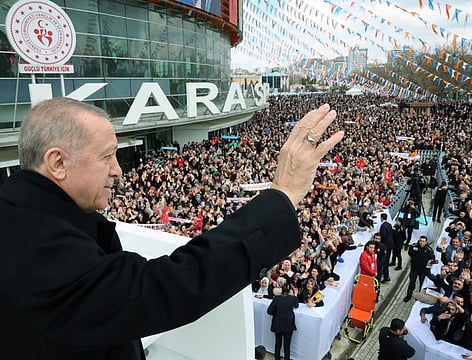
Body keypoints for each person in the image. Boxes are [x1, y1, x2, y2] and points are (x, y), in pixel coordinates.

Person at [0, 98, 344, 359]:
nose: (119, 171)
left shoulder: (28, 215)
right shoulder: (28, 241)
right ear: (58, 162)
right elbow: (163, 287)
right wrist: (283, 193)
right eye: (107, 157)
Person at [267, 283, 299, 360]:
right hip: (288, 324)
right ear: (289, 291)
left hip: (277, 323)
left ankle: (277, 358)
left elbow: (269, 311)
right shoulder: (293, 298)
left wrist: (277, 313)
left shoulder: (276, 298)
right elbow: (296, 305)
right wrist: (295, 294)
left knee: (278, 343)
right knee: (287, 345)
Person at [403, 235, 435, 302]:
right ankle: (408, 295)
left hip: (423, 271)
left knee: (422, 284)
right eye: (420, 241)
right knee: (411, 283)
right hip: (414, 269)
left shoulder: (429, 250)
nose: (421, 242)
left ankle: (419, 297)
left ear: (426, 242)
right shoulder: (413, 247)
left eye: (423, 241)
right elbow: (410, 253)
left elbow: (432, 258)